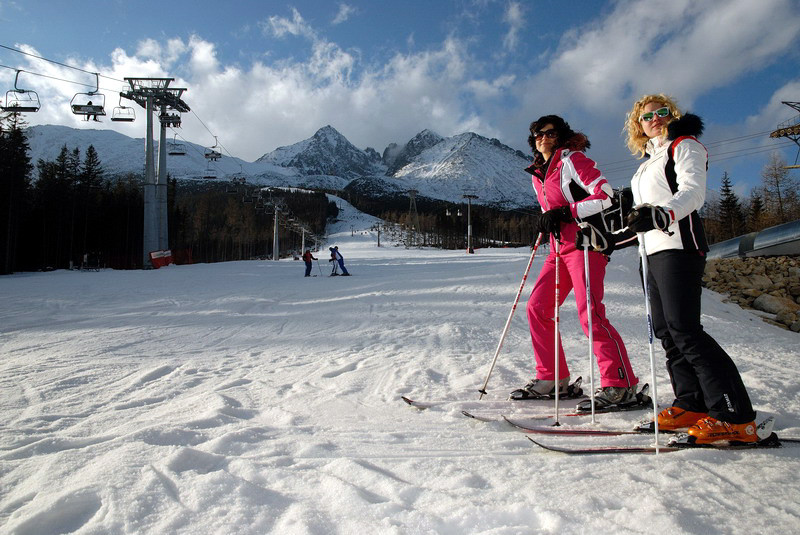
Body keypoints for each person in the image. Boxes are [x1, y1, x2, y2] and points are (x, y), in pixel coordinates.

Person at [579, 94, 757, 444]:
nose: (655, 119)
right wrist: (610, 239)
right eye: (647, 116)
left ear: (672, 116)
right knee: (667, 333)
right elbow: (642, 218)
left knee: (686, 330)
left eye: (662, 113)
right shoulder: (647, 162)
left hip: (680, 247)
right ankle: (691, 402)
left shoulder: (684, 145)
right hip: (652, 253)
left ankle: (734, 415)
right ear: (638, 125)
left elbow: (692, 193)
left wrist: (663, 214)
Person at [513, 114, 640, 411]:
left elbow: (606, 196)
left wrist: (566, 212)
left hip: (586, 246)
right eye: (536, 134)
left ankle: (620, 385)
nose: (542, 137)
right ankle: (552, 378)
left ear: (560, 135)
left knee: (590, 314)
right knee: (538, 308)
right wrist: (549, 219)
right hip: (558, 250)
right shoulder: (537, 173)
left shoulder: (573, 160)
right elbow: (551, 208)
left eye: (549, 133)